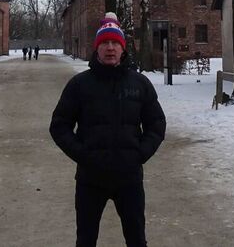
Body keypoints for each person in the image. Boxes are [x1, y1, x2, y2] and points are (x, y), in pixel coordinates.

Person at [50, 14, 165, 247]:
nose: (110, 48)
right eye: (104, 43)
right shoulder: (80, 85)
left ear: (123, 48)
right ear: (97, 48)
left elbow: (156, 124)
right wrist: (83, 154)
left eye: (115, 43)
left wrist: (139, 154)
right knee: (85, 239)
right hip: (90, 179)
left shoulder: (139, 84)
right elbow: (59, 126)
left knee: (136, 239)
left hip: (129, 178)